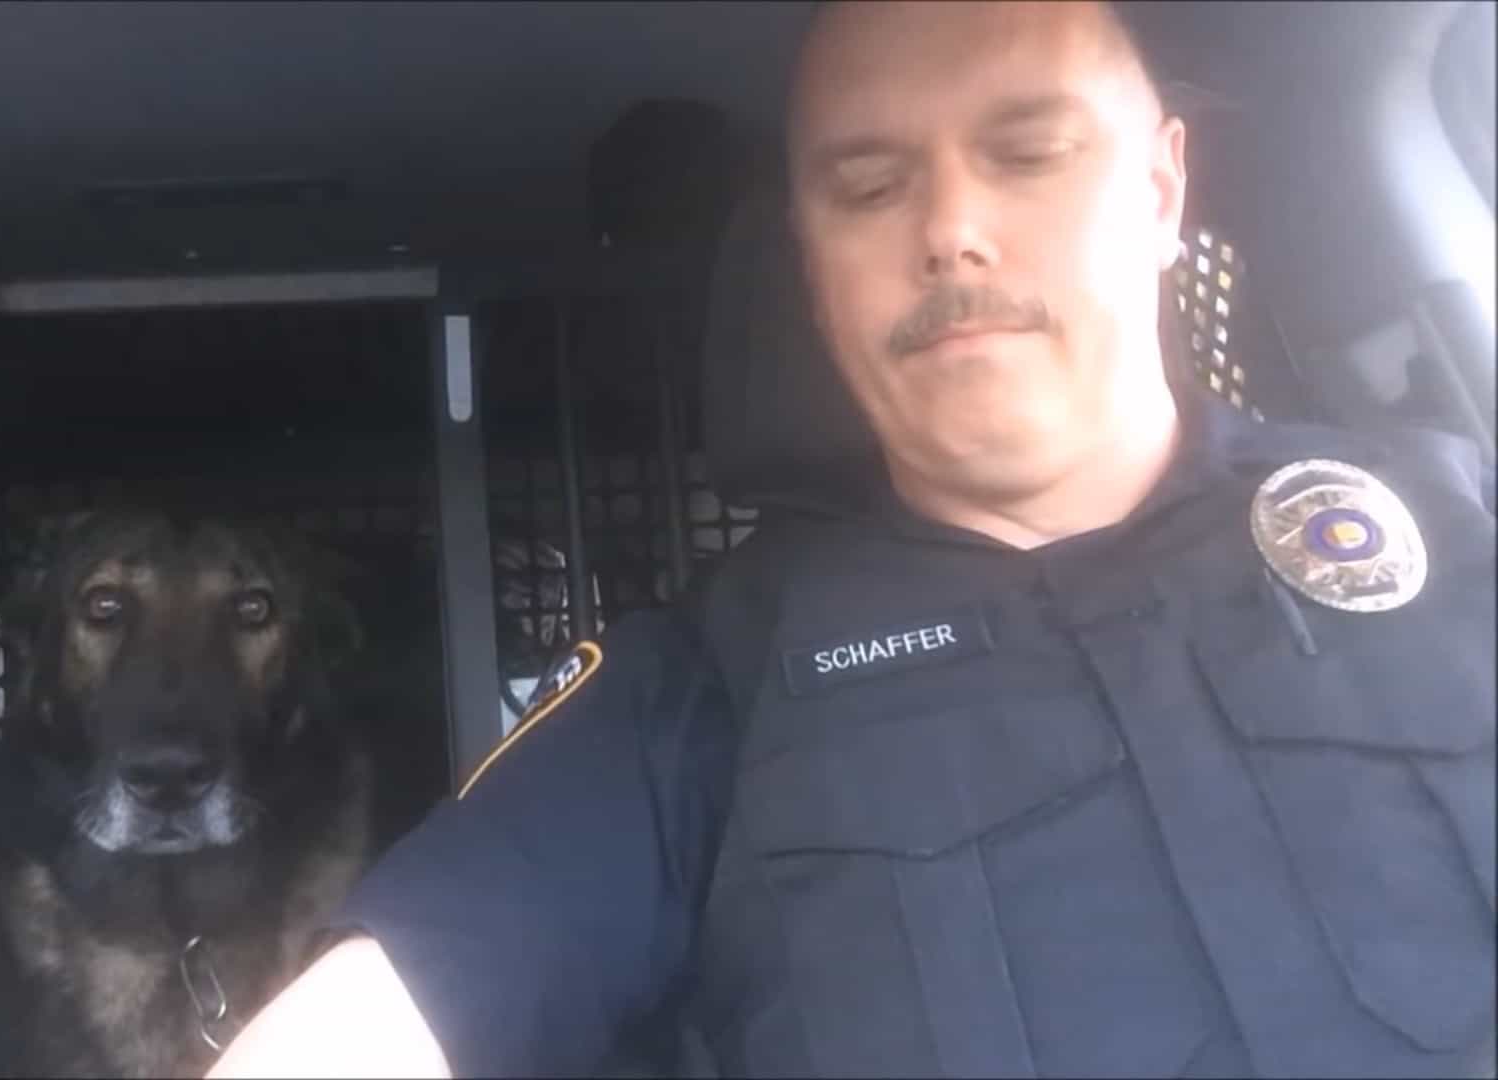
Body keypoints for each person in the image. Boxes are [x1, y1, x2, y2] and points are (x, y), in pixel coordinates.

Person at [203, 1, 1497, 1075]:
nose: (949, 232)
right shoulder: (697, 694)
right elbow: (377, 1022)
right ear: (813, 276)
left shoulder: (1456, 514)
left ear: (1161, 192)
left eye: (1030, 153)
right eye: (870, 187)